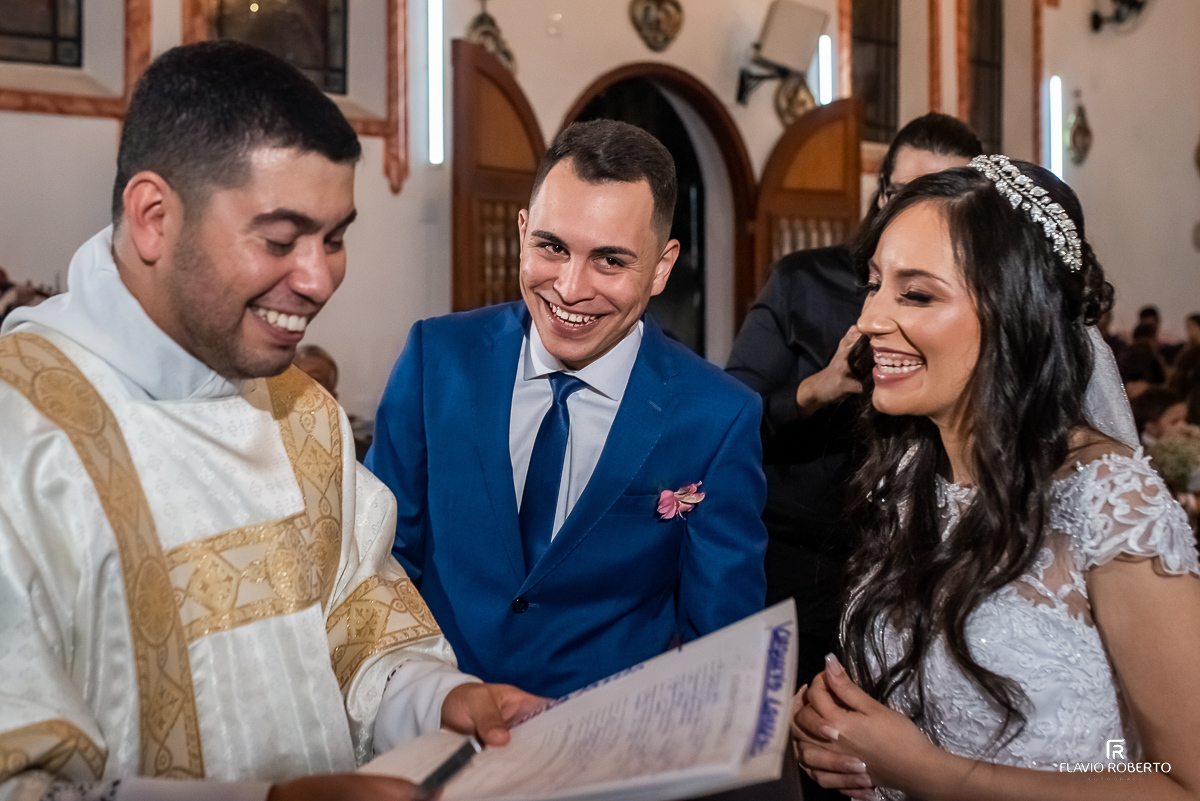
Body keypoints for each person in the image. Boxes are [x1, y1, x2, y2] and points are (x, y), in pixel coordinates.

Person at [0, 42, 541, 801]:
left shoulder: (301, 414)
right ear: (154, 217)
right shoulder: (21, 442)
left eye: (336, 236)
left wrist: (439, 699)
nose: (319, 278)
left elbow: (358, 626)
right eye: (280, 240)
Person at [791, 156, 1200, 800]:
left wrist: (928, 774)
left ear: (1015, 314)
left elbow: (1182, 784)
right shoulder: (907, 478)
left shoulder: (1109, 504)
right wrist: (845, 739)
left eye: (916, 293)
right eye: (874, 285)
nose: (869, 320)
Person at [367, 120, 768, 699]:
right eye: (552, 248)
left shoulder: (717, 417)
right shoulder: (438, 359)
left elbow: (721, 646)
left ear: (661, 266)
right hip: (435, 722)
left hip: (609, 758)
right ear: (523, 230)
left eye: (609, 261)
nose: (571, 287)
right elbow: (382, 562)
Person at [724, 112, 983, 776]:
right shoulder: (802, 280)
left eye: (937, 196)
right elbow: (730, 417)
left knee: (886, 755)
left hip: (919, 561)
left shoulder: (973, 307)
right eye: (901, 193)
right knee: (772, 754)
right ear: (880, 189)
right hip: (794, 557)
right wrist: (821, 387)